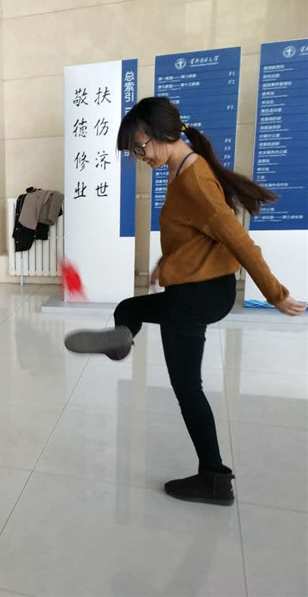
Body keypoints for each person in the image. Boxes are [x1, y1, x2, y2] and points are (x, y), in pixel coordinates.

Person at [64, 97, 306, 506]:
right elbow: (193, 233)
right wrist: (167, 262)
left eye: (139, 147)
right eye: (133, 151)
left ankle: (215, 479)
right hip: (196, 288)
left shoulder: (194, 180)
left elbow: (239, 241)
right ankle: (121, 340)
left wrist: (276, 295)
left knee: (187, 387)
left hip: (198, 295)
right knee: (129, 309)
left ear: (161, 134)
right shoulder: (183, 169)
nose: (140, 157)